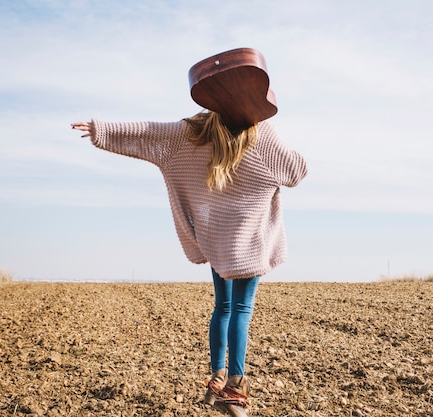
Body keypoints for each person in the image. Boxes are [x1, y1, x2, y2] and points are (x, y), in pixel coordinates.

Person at [71, 71, 307, 415]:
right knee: (241, 310)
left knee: (222, 308)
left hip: (216, 242)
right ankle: (235, 390)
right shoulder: (261, 134)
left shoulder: (193, 131)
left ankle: (215, 380)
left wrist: (101, 130)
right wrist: (267, 127)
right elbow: (296, 171)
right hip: (251, 243)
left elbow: (147, 133)